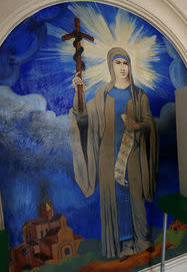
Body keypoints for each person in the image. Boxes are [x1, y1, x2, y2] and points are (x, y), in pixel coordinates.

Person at [69, 47, 158, 258]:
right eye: (118, 63)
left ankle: (141, 241)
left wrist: (138, 125)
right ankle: (120, 246)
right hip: (108, 159)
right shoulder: (102, 95)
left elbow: (149, 124)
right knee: (115, 201)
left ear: (130, 66)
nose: (122, 67)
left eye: (125, 62)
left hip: (134, 157)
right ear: (111, 66)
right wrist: (78, 93)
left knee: (135, 199)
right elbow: (84, 120)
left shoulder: (139, 96)